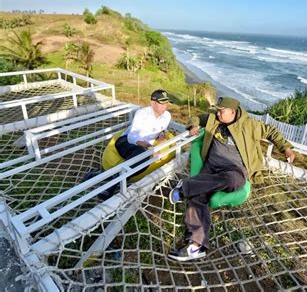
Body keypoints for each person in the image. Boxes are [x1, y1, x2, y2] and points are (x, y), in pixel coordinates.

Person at [167, 96, 295, 261]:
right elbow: (197, 118)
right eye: (218, 110)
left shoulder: (249, 125)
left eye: (222, 111)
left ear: (233, 112)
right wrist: (193, 125)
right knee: (198, 197)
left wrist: (286, 149)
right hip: (211, 166)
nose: (219, 113)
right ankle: (195, 246)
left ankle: (185, 186)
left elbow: (271, 131)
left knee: (234, 180)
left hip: (234, 169)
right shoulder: (213, 118)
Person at [97, 89, 172, 200]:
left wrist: (161, 137)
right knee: (142, 155)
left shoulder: (167, 116)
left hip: (144, 146)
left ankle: (102, 176)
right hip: (126, 141)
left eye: (166, 103)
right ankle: (112, 184)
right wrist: (149, 147)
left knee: (143, 157)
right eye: (162, 103)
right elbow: (132, 137)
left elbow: (162, 131)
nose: (165, 106)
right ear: (153, 103)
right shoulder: (142, 113)